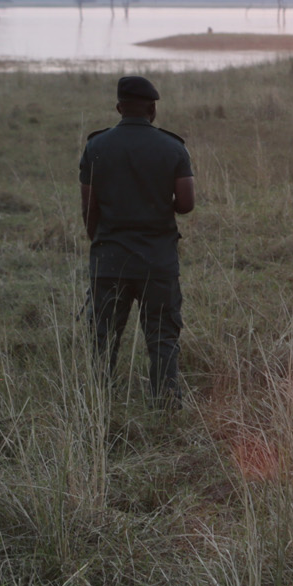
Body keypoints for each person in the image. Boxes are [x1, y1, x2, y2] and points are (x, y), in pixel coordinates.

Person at [79, 75, 196, 404]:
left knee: (104, 336)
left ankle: (99, 400)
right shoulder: (172, 147)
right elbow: (186, 204)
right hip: (157, 258)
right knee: (162, 335)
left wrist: (99, 243)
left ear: (118, 108)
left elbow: (88, 207)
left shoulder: (96, 146)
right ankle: (165, 400)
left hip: (110, 257)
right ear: (152, 109)